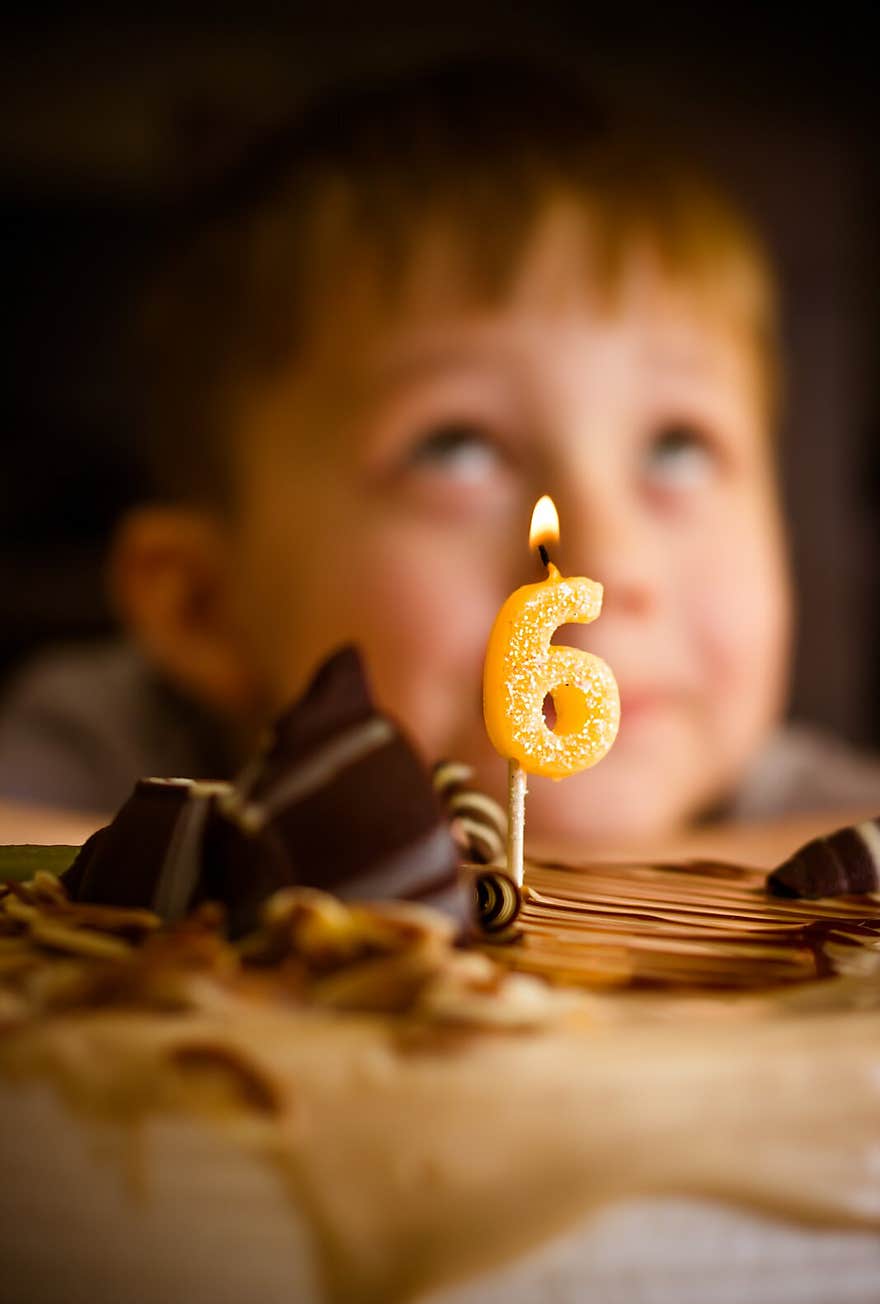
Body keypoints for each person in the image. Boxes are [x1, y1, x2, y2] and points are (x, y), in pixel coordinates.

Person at [2, 55, 880, 854]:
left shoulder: (807, 806)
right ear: (202, 605)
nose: (609, 561)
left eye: (679, 447)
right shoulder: (109, 741)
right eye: (457, 448)